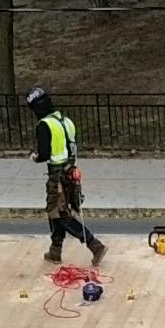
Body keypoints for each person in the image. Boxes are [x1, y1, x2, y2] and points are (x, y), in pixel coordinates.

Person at [28, 86, 103, 268]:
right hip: (70, 172)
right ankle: (55, 250)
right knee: (55, 211)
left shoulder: (44, 125)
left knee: (61, 214)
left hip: (57, 175)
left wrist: (35, 157)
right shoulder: (66, 121)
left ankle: (94, 244)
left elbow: (45, 154)